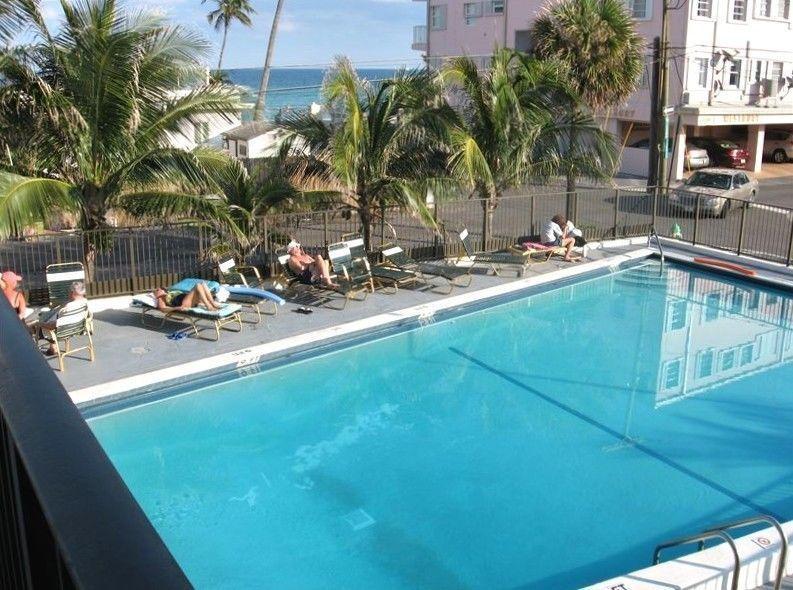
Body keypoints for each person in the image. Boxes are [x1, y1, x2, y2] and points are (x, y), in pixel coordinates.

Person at [32, 281, 88, 356]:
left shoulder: (68, 308)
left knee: (33, 328)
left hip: (60, 332)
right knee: (45, 321)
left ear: (72, 292)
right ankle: (53, 347)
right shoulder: (85, 303)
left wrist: (38, 324)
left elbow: (52, 325)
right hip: (76, 329)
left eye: (69, 291)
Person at [154, 282, 220, 312]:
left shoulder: (169, 293)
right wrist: (176, 308)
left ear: (164, 291)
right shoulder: (161, 297)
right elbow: (163, 309)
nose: (156, 291)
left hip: (189, 300)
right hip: (184, 303)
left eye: (158, 290)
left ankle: (212, 302)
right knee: (198, 285)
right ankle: (208, 305)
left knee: (203, 283)